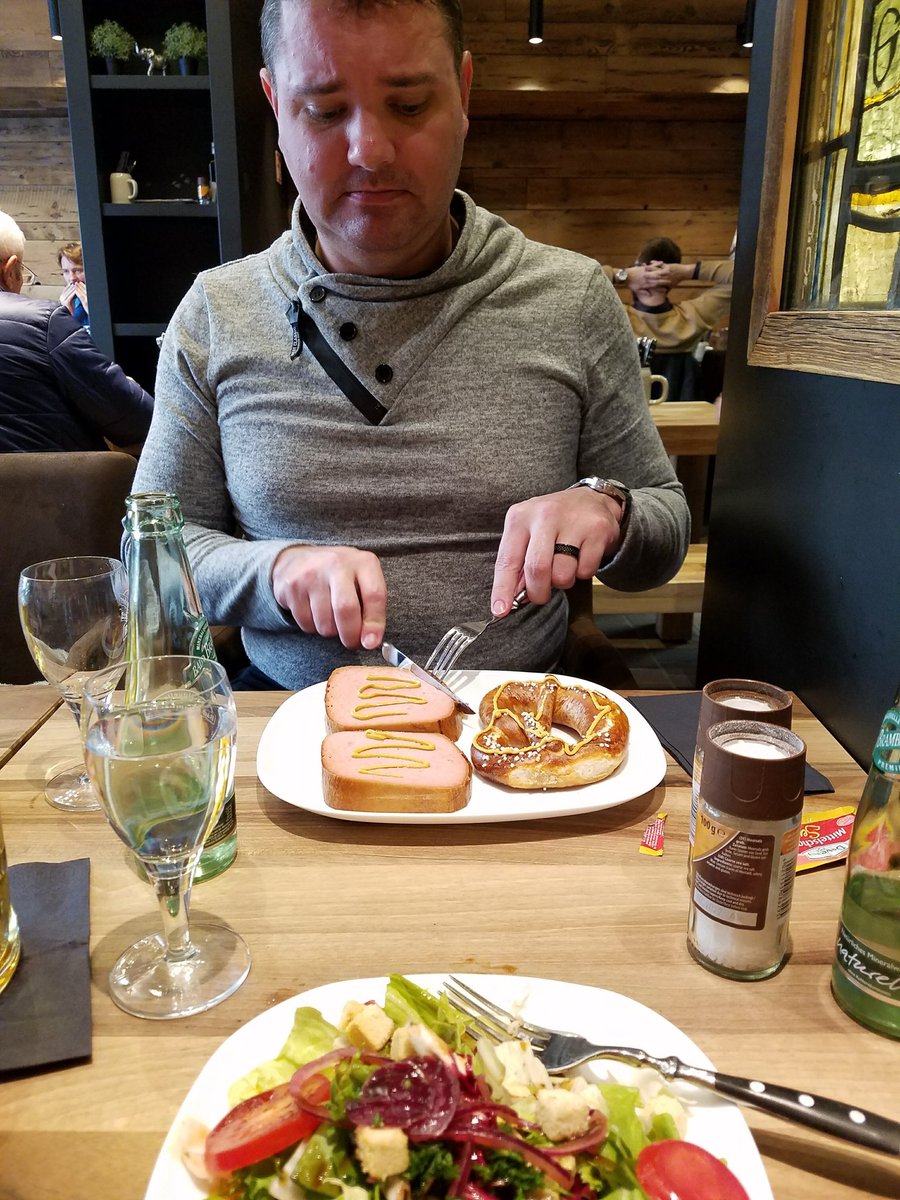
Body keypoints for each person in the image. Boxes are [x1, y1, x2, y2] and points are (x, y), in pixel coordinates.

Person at [131, 0, 690, 691]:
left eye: (409, 105)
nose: (370, 150)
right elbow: (151, 560)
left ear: (464, 93)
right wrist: (274, 571)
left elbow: (664, 526)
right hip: (281, 719)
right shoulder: (217, 312)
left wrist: (609, 507)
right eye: (325, 111)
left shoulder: (570, 298)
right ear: (275, 104)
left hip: (516, 725)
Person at [0, 212, 154, 453]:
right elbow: (136, 418)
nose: (72, 278)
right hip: (55, 476)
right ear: (10, 270)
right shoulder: (45, 320)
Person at [605, 237, 733, 401]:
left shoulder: (616, 317)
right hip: (681, 411)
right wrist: (688, 271)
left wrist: (622, 275)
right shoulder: (692, 317)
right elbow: (746, 275)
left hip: (624, 409)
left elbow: (576, 281)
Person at [57, 241, 90, 333]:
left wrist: (93, 310)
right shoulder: (68, 301)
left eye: (78, 271)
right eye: (66, 271)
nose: (72, 278)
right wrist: (64, 313)